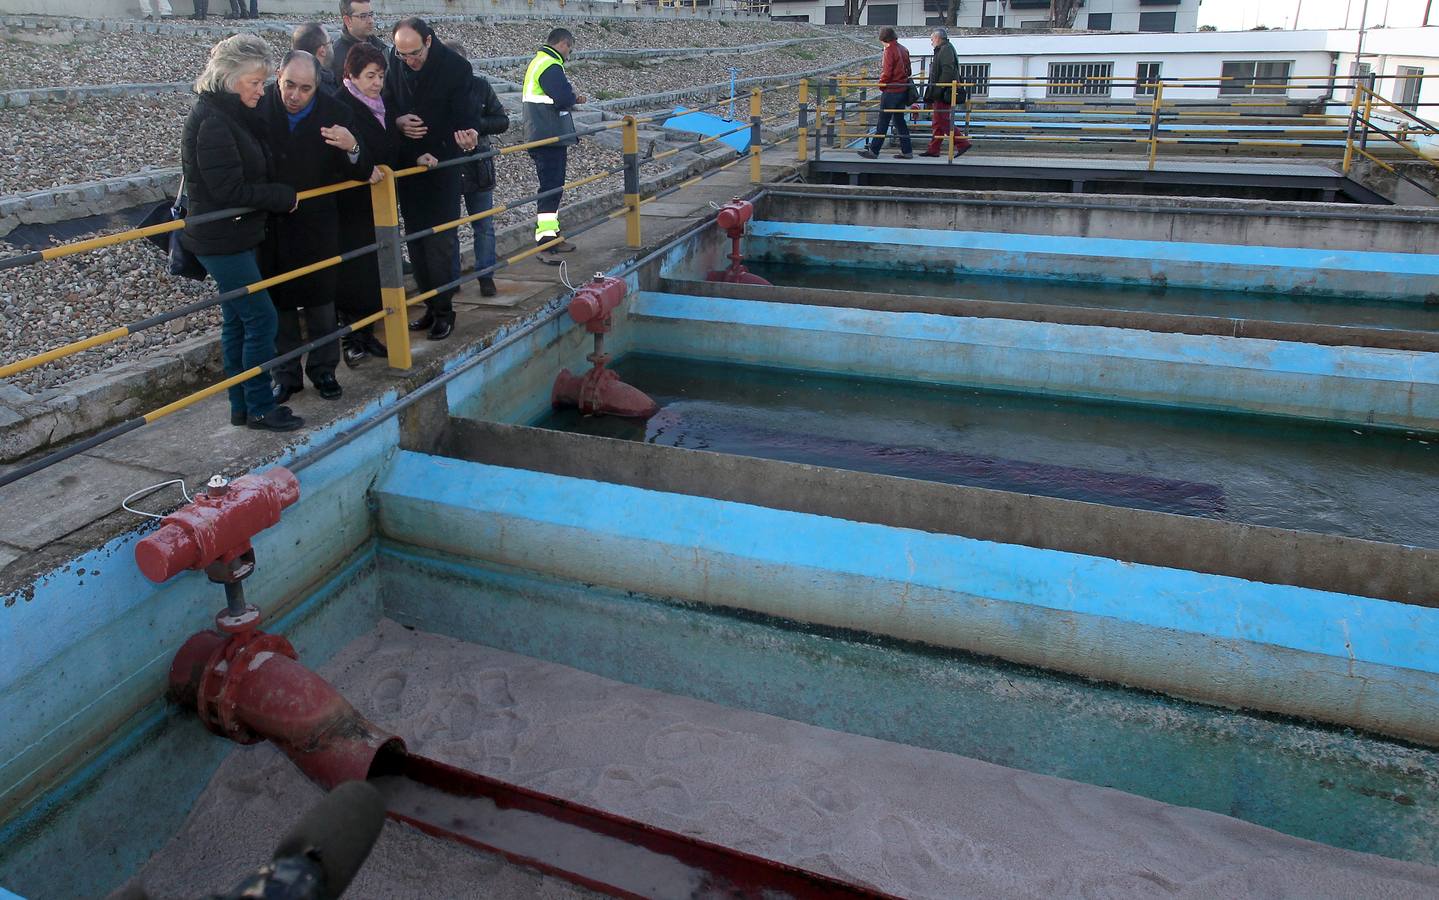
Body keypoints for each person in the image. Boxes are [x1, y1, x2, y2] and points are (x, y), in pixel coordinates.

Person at [180, 34, 302, 432]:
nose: (261, 90)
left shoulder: (225, 113)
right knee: (261, 320)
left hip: (232, 236)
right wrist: (280, 196)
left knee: (237, 321)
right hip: (222, 239)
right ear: (230, 79)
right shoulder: (214, 120)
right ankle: (261, 406)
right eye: (255, 83)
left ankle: (242, 406)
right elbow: (228, 190)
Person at [259, 50, 370, 404]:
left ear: (316, 87)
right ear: (277, 76)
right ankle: (286, 376)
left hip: (317, 226)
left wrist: (352, 146)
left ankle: (323, 371)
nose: (294, 94)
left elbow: (362, 167)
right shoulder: (258, 107)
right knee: (280, 309)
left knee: (322, 307)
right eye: (288, 85)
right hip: (271, 225)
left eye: (304, 88)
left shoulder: (337, 113)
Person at [384, 17, 480, 341]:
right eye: (402, 55)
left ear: (428, 41)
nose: (408, 61)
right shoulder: (394, 62)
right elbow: (387, 103)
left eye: (414, 54)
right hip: (409, 168)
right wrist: (398, 122)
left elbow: (466, 118)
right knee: (416, 243)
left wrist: (467, 137)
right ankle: (429, 304)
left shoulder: (456, 68)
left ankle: (444, 310)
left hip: (442, 168)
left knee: (440, 243)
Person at [334, 42, 397, 367]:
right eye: (370, 76)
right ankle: (351, 337)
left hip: (377, 200)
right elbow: (343, 157)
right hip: (351, 203)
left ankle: (367, 333)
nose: (377, 83)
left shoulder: (380, 104)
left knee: (373, 269)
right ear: (352, 76)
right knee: (353, 272)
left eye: (381, 76)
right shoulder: (341, 106)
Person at [450, 44, 511, 297]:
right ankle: (451, 281)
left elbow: (502, 121)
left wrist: (477, 128)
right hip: (450, 166)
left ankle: (486, 276)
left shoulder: (481, 87)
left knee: (483, 225)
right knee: (448, 229)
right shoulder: (435, 90)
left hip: (478, 164)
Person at [522, 27, 587, 261]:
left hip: (542, 132)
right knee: (551, 187)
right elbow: (562, 98)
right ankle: (546, 240)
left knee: (552, 186)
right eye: (570, 48)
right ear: (563, 44)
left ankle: (552, 235)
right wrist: (572, 98)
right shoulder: (550, 64)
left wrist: (569, 97)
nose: (569, 54)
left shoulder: (539, 61)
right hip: (547, 136)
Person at [858, 26, 913, 160]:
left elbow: (887, 72)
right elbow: (909, 71)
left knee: (883, 122)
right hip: (903, 89)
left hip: (891, 90)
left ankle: (874, 151)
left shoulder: (889, 50)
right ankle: (907, 151)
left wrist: (881, 84)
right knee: (900, 122)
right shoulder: (903, 49)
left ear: (884, 39)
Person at [921, 29, 972, 158]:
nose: (931, 41)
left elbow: (947, 71)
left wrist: (938, 89)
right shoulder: (945, 49)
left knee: (942, 120)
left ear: (938, 38)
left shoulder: (945, 50)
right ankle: (934, 149)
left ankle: (962, 143)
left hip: (943, 92)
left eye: (932, 38)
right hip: (943, 90)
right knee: (938, 121)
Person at [332, 1, 387, 85]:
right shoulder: (337, 55)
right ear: (347, 20)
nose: (370, 21)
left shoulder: (381, 47)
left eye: (371, 15)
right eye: (363, 16)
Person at [292, 23, 340, 96]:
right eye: (330, 42)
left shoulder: (286, 79)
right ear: (322, 51)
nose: (332, 46)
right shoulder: (326, 91)